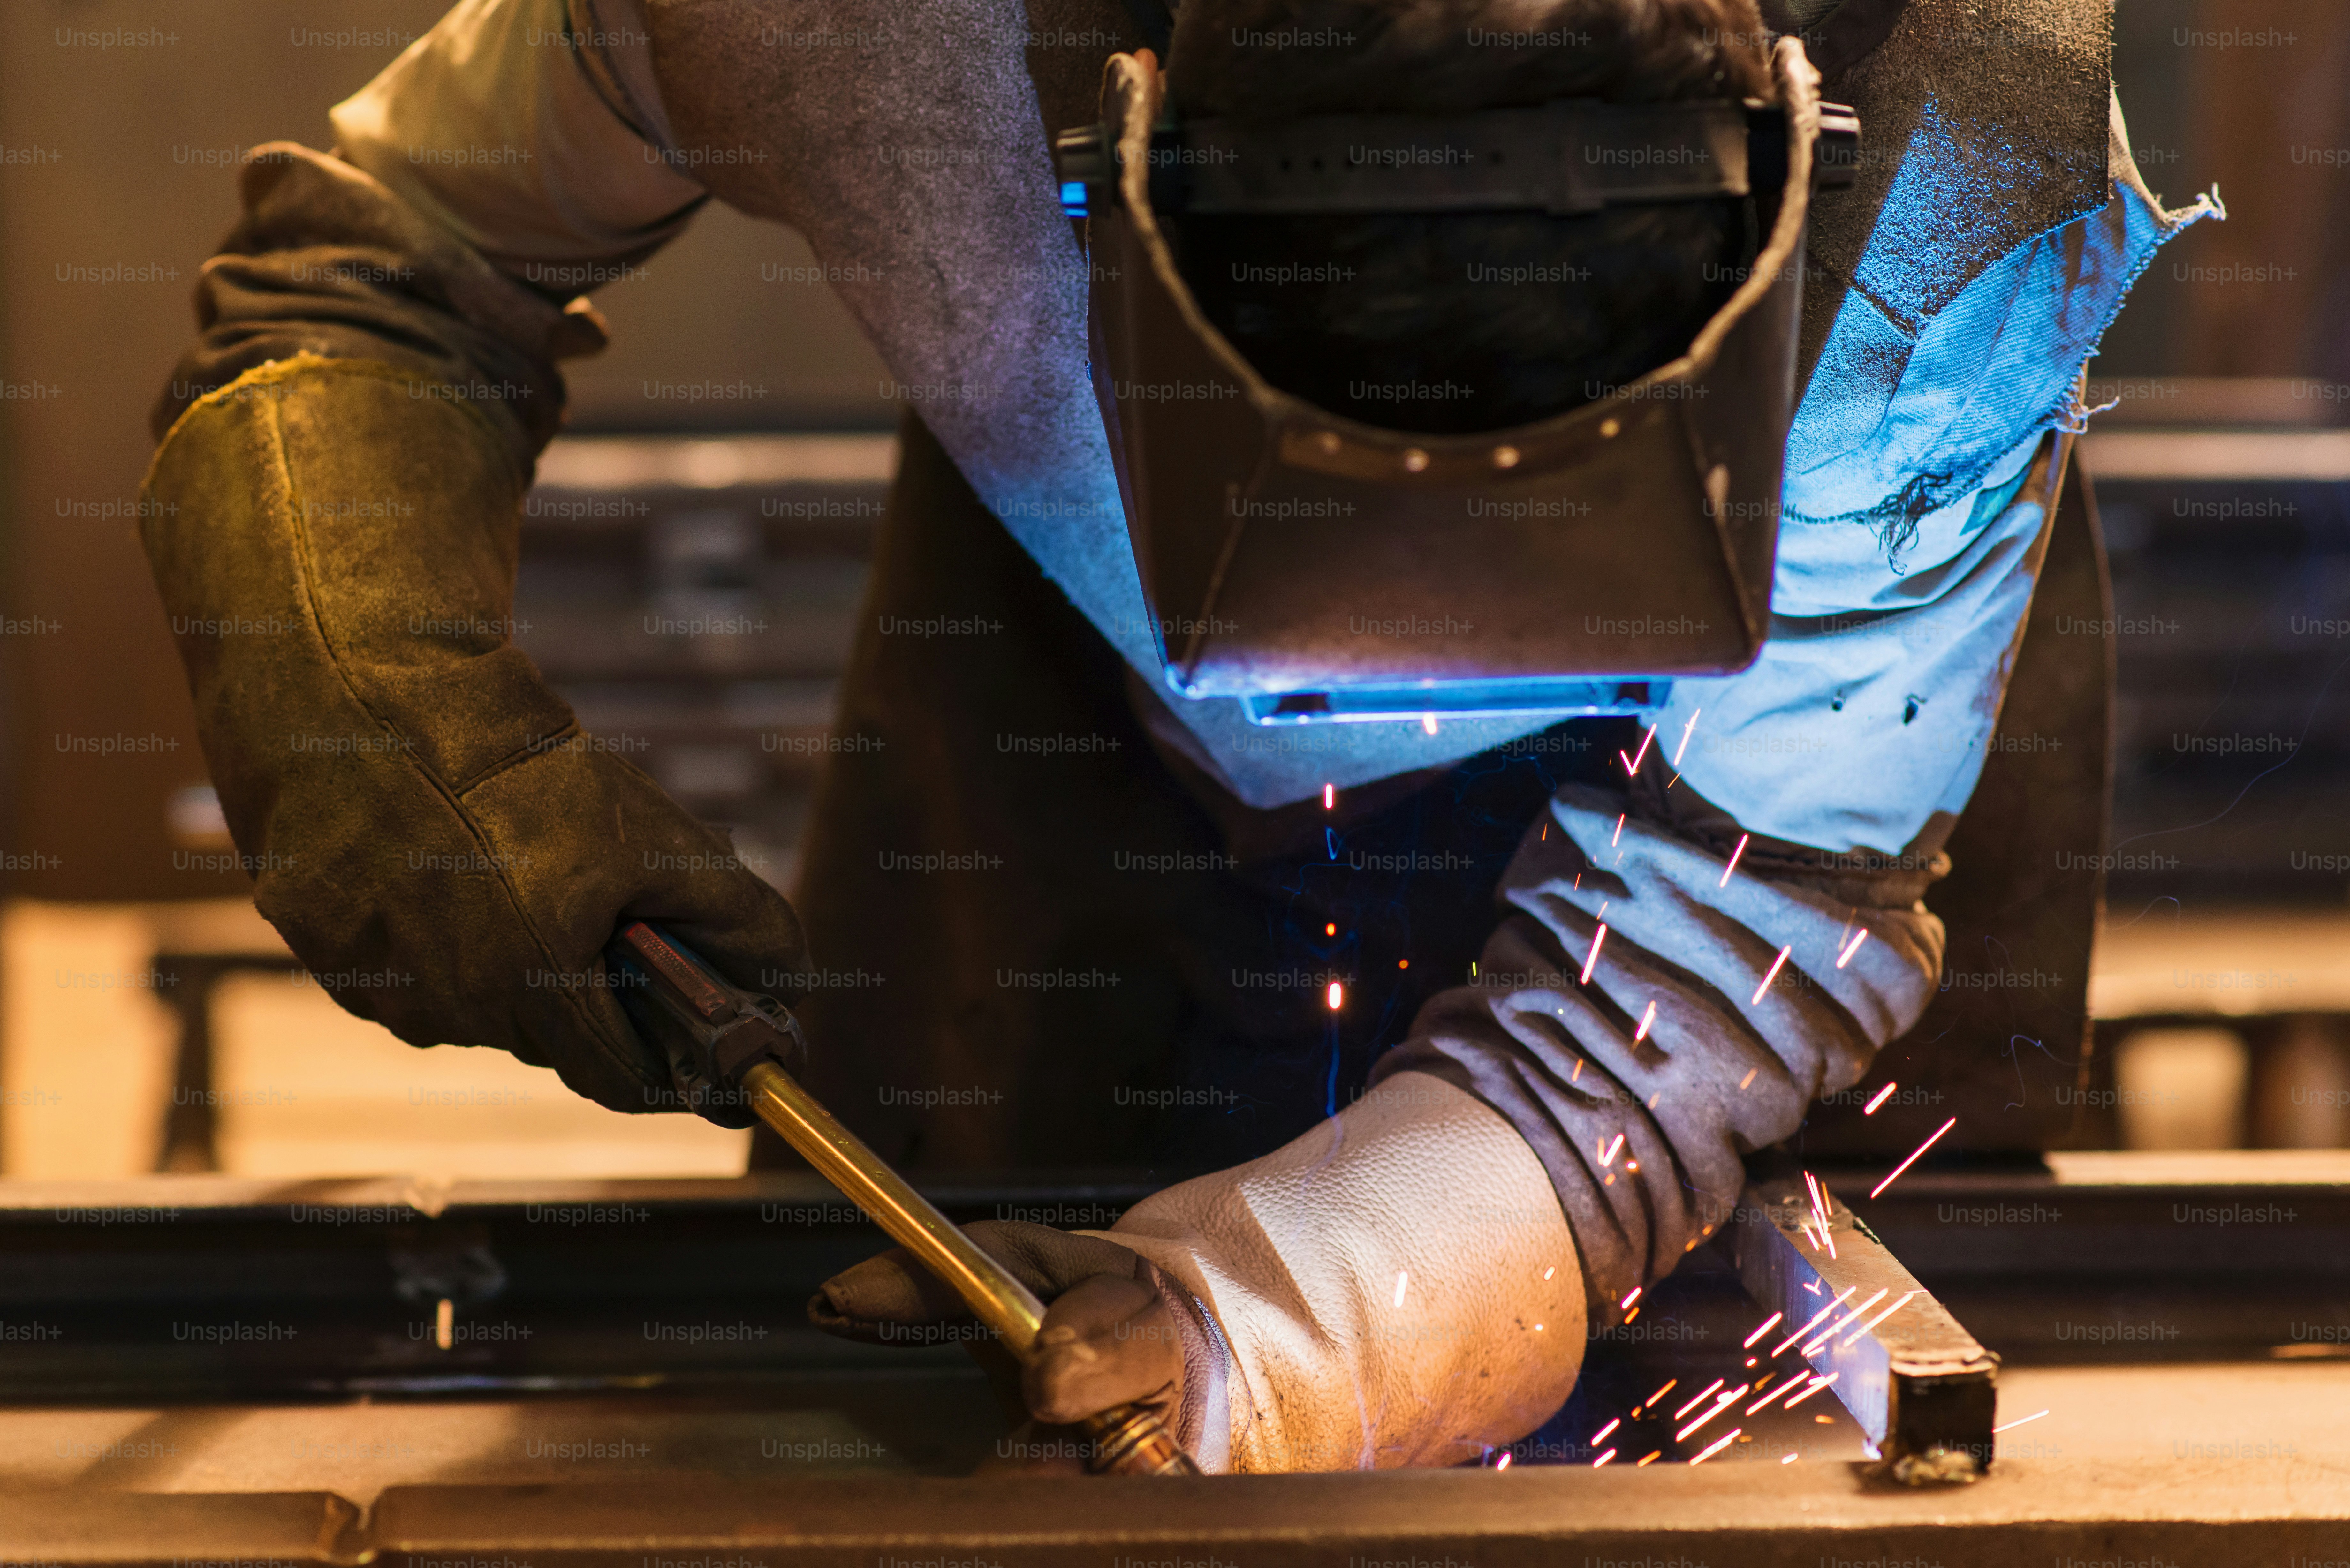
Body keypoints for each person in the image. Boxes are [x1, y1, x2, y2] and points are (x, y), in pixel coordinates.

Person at [141, 0, 2213, 1472]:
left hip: (1786, 803)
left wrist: (1320, 1310)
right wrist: (349, 658)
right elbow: (380, 262)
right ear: (1110, 176)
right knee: (969, 1415)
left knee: (1806, 1418)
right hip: (1086, 795)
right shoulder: (847, 31)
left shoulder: (1956, 155)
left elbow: (1724, 936)